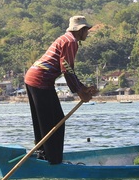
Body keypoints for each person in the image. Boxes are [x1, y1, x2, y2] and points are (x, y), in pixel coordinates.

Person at [24, 15, 97, 164]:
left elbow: (68, 69)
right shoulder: (71, 42)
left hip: (33, 77)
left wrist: (82, 88)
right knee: (55, 122)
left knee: (43, 122)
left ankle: (43, 155)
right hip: (40, 80)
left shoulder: (65, 39)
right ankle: (53, 160)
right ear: (80, 30)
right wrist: (79, 92)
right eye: (86, 30)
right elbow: (67, 69)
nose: (87, 33)